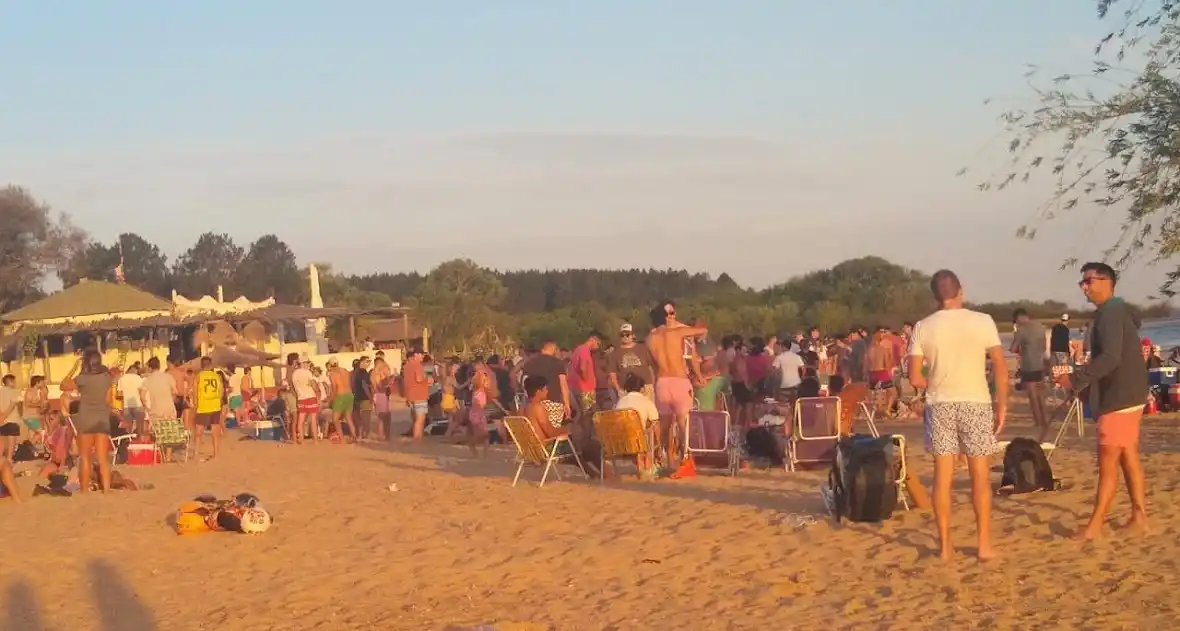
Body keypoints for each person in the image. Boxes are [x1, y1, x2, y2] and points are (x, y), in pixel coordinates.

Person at [908, 270, 1006, 561]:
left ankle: (945, 546)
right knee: (980, 476)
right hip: (975, 401)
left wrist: (936, 382)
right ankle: (984, 545)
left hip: (940, 404)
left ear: (935, 296)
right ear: (960, 290)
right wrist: (1002, 404)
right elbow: (999, 365)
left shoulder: (923, 326)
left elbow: (915, 377)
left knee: (942, 478)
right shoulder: (982, 321)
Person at [1055, 262, 1150, 540]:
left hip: (1119, 397)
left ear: (1106, 281)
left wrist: (1075, 379)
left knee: (1108, 463)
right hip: (1130, 393)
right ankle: (1139, 516)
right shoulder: (1116, 311)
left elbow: (1110, 358)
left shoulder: (1111, 312)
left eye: (1088, 281)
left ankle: (1095, 525)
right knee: (1128, 456)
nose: (1084, 287)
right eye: (1082, 282)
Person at [646, 300, 707, 465]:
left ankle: (667, 460)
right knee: (682, 424)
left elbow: (652, 365)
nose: (671, 316)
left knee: (664, 426)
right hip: (679, 380)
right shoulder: (679, 332)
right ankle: (685, 460)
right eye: (669, 313)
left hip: (662, 382)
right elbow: (702, 331)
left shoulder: (650, 337)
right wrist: (699, 375)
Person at [60, 350, 114, 493]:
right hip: (102, 418)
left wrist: (74, 368)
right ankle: (107, 490)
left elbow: (63, 385)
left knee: (85, 457)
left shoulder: (82, 378)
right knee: (103, 459)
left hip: (86, 419)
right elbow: (109, 401)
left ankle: (84, 490)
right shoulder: (107, 378)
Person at [1011, 308, 1050, 442]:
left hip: (1028, 365)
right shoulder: (1040, 326)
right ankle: (1045, 420)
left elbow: (1013, 348)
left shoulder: (1021, 331)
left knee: (1032, 395)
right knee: (1041, 395)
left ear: (1020, 317)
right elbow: (1044, 346)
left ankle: (1038, 421)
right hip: (1040, 363)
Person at [615, 373, 661, 477]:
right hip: (638, 440)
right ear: (642, 388)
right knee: (649, 430)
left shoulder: (621, 402)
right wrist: (658, 443)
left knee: (637, 434)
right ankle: (648, 466)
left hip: (620, 440)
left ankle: (642, 465)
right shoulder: (646, 401)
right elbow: (655, 421)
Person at [521, 340, 571, 430]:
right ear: (554, 349)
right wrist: (567, 404)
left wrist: (529, 398)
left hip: (533, 402)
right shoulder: (558, 363)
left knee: (536, 429)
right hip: (554, 402)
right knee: (552, 429)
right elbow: (563, 384)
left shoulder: (529, 363)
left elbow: (524, 382)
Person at [606, 323, 656, 401]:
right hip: (626, 389)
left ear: (633, 335)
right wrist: (618, 389)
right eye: (622, 335)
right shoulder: (615, 353)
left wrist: (652, 385)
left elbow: (650, 368)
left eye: (627, 334)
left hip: (645, 387)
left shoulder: (643, 348)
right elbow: (612, 374)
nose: (625, 337)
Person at [191, 357, 226, 459]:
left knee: (198, 433)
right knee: (215, 432)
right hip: (215, 406)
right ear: (210, 365)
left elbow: (195, 393)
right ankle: (216, 454)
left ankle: (196, 453)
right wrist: (218, 403)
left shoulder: (199, 377)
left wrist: (195, 406)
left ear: (201, 366)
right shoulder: (216, 376)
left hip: (203, 406)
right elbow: (221, 392)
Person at [568, 332, 602, 420]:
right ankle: (589, 433)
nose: (598, 347)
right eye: (598, 344)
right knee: (590, 414)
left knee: (583, 414)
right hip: (585, 389)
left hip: (576, 388)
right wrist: (586, 380)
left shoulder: (578, 349)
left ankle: (583, 432)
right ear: (593, 340)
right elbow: (582, 368)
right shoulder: (585, 350)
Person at [523, 376, 568, 442]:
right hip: (546, 447)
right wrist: (567, 430)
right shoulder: (538, 407)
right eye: (545, 389)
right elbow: (551, 433)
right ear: (538, 391)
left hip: (530, 448)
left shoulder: (523, 408)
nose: (547, 391)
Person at [402, 347, 431, 441]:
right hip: (420, 395)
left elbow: (406, 382)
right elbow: (419, 379)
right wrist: (428, 379)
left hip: (411, 395)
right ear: (416, 355)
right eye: (421, 354)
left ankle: (417, 439)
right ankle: (417, 439)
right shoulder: (418, 365)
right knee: (420, 419)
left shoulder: (406, 366)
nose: (422, 356)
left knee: (416, 419)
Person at [289, 358, 321, 444]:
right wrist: (318, 392)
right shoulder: (307, 372)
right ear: (303, 363)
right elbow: (313, 385)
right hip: (310, 397)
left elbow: (294, 387)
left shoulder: (294, 374)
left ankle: (301, 439)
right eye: (307, 363)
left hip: (300, 398)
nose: (308, 365)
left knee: (301, 420)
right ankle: (315, 440)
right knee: (313, 420)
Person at [117, 364, 146, 433]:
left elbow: (119, 395)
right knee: (140, 428)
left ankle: (129, 440)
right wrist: (144, 405)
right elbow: (141, 393)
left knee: (128, 429)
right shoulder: (139, 379)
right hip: (138, 405)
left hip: (126, 406)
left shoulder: (121, 379)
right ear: (135, 370)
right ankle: (140, 440)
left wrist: (121, 407)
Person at [0, 375, 22, 460]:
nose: (15, 383)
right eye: (14, 381)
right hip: (12, 419)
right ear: (10, 381)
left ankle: (1, 459)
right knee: (11, 441)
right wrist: (5, 416)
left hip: (1, 420)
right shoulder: (13, 392)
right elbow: (12, 405)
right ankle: (9, 459)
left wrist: (1, 416)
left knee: (2, 441)